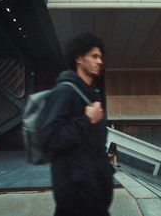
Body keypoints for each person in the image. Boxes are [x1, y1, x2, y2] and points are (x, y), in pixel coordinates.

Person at [39, 33, 113, 216]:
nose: (99, 61)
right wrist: (86, 120)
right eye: (94, 56)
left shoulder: (92, 94)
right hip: (76, 192)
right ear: (79, 59)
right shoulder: (65, 92)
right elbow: (49, 139)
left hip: (93, 189)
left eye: (101, 57)